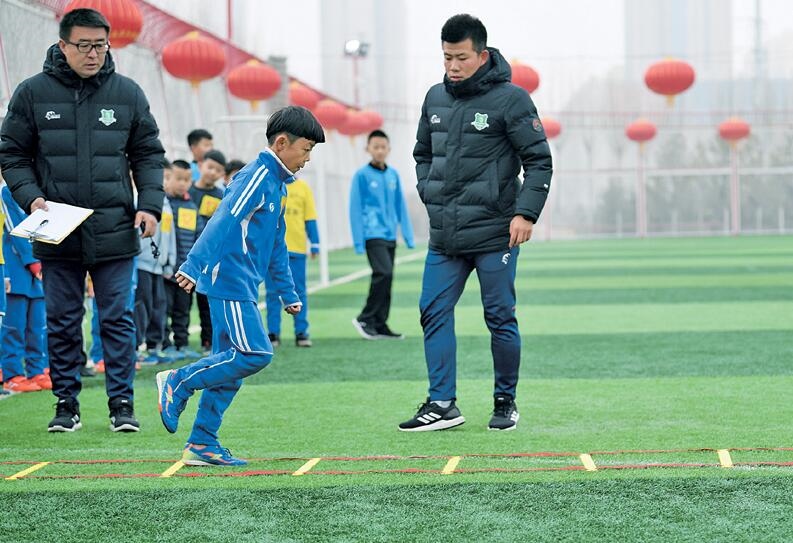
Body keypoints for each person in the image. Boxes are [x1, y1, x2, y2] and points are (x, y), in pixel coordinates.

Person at [0, 8, 166, 432]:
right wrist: (31, 198)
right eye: (84, 45)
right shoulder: (32, 93)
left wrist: (149, 205)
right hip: (56, 230)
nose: (93, 54)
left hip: (115, 230)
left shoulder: (127, 93)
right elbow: (12, 154)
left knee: (117, 319)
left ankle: (122, 404)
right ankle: (66, 404)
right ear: (63, 45)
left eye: (100, 45)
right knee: (61, 320)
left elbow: (148, 154)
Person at [399, 14, 552, 432]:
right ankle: (442, 403)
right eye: (447, 57)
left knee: (499, 316)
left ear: (482, 56)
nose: (453, 66)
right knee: (432, 310)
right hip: (445, 235)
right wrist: (429, 191)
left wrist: (525, 213)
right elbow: (422, 154)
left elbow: (539, 161)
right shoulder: (434, 98)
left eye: (461, 58)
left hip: (495, 233)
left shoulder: (512, 100)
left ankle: (505, 401)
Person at [157, 106, 324, 466]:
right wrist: (194, 265)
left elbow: (276, 244)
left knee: (230, 369)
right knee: (255, 354)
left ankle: (202, 443)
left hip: (244, 285)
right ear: (282, 143)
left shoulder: (279, 185)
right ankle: (178, 381)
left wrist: (287, 292)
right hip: (229, 281)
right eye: (306, 149)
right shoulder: (256, 176)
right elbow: (223, 219)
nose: (308, 158)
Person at [349, 129, 415, 340]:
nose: (379, 151)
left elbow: (400, 206)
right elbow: (355, 208)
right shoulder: (361, 175)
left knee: (388, 278)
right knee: (383, 273)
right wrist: (358, 241)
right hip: (372, 233)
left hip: (389, 235)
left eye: (383, 147)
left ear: (388, 149)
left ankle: (380, 323)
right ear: (368, 149)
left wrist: (408, 235)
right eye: (375, 147)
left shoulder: (393, 175)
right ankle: (365, 318)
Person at [1, 180, 50, 393]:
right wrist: (33, 261)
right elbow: (15, 229)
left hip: (39, 267)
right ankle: (12, 374)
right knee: (14, 325)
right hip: (17, 267)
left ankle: (37, 370)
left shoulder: (43, 190)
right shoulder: (7, 191)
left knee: (37, 325)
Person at [265, 177, 320, 347]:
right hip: (272, 250)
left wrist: (315, 243)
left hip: (297, 250)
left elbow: (310, 217)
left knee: (299, 292)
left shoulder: (303, 188)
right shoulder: (270, 185)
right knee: (272, 293)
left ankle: (301, 332)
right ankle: (273, 333)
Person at [135, 160, 177, 364]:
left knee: (159, 305)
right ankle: (136, 347)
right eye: (163, 178)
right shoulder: (139, 201)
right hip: (141, 264)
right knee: (141, 306)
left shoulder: (166, 206)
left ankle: (154, 346)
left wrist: (170, 261)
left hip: (159, 267)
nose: (165, 182)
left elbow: (171, 236)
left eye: (168, 178)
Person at [189, 149, 226, 354]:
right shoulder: (188, 193)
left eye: (218, 170)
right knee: (181, 303)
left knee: (207, 301)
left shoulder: (223, 196)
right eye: (210, 167)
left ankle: (208, 341)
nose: (213, 172)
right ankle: (178, 342)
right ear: (201, 165)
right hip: (187, 256)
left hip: (212, 259)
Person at [162, 160, 199, 358]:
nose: (183, 184)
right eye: (179, 179)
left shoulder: (191, 206)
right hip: (166, 271)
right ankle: (164, 344)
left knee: (183, 310)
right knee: (164, 309)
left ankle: (182, 344)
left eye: (187, 180)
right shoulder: (164, 205)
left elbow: (198, 236)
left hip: (185, 272)